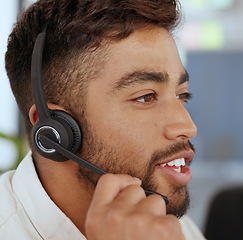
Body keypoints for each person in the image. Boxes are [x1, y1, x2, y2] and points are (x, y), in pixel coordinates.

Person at [1, 0, 206, 239]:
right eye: (145, 97)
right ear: (54, 131)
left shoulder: (168, 229)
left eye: (182, 95)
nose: (188, 127)